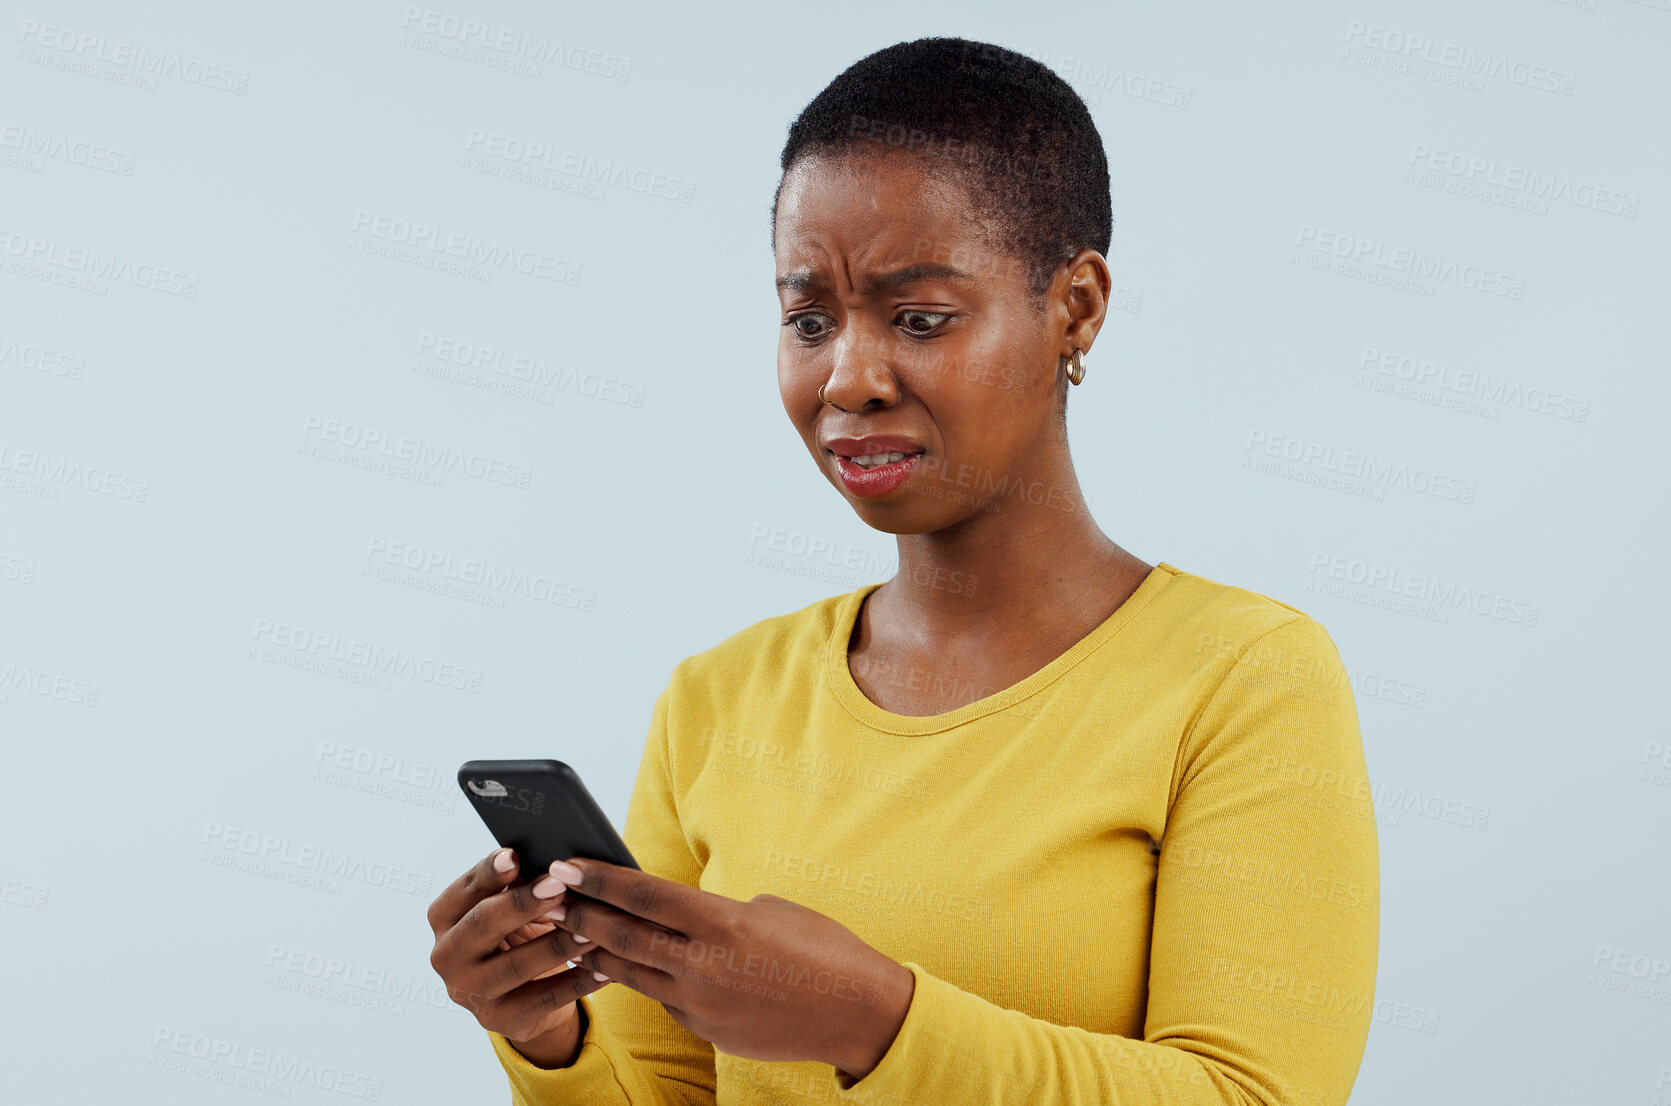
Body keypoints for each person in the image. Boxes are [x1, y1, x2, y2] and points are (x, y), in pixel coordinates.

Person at [427, 35, 1379, 1106]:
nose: (848, 377)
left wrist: (871, 1022)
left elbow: (1256, 1095)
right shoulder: (718, 696)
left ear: (1075, 307)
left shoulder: (1242, 676)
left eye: (919, 317)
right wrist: (548, 1035)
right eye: (807, 318)